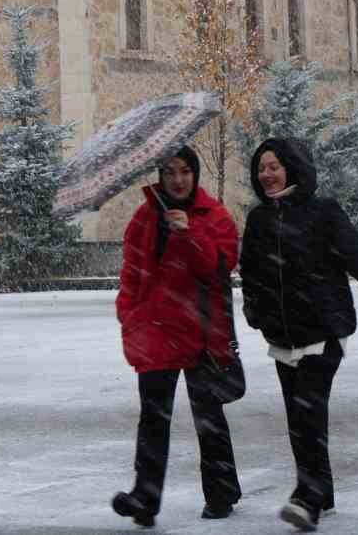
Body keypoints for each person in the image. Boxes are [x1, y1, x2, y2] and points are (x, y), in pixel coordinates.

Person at [239, 137, 358, 532]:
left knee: (308, 412)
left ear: (291, 167)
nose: (266, 174)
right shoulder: (258, 220)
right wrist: (255, 310)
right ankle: (324, 495)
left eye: (273, 166)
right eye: (261, 168)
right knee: (298, 419)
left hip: (323, 330)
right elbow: (251, 272)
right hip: (282, 338)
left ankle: (307, 497)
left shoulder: (321, 212)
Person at [112, 145, 243, 527]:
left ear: (195, 174)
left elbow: (220, 268)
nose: (177, 179)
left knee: (209, 418)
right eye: (169, 172)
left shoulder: (213, 216)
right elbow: (131, 273)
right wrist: (129, 314)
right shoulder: (144, 218)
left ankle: (221, 493)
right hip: (155, 330)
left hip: (201, 331)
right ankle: (145, 498)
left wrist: (190, 232)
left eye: (184, 171)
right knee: (153, 420)